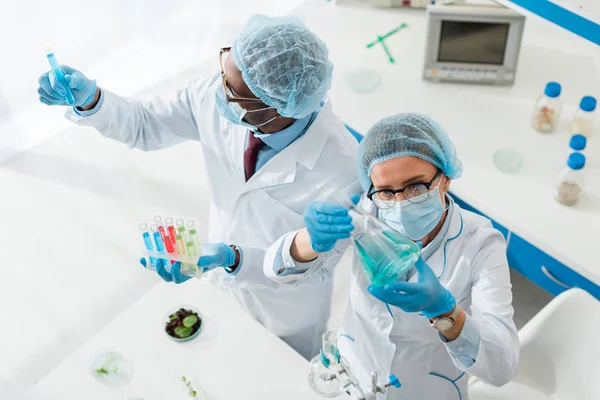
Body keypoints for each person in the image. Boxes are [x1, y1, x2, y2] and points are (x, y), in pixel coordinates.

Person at [36, 15, 359, 360]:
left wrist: (233, 258)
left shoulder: (343, 173)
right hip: (223, 287)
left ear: (277, 108)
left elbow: (311, 266)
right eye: (224, 69)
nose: (219, 90)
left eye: (232, 91)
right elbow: (146, 124)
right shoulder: (220, 92)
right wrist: (92, 99)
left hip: (285, 311)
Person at [264, 113, 519, 398]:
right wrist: (310, 239)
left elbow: (502, 367)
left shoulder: (481, 243)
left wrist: (447, 313)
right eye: (385, 191)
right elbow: (274, 271)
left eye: (415, 186)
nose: (400, 203)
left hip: (425, 389)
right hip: (354, 376)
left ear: (445, 178)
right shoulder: (367, 215)